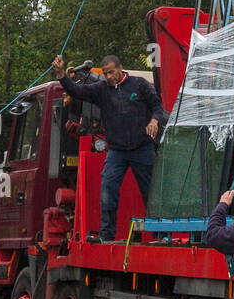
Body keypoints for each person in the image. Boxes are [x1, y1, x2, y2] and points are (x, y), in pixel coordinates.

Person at [51, 53, 165, 240]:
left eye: (112, 72)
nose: (109, 77)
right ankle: (107, 234)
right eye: (105, 74)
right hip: (117, 151)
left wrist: (154, 121)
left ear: (120, 68)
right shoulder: (101, 89)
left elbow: (157, 106)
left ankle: (160, 234)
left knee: (151, 193)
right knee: (108, 189)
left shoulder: (139, 84)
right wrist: (62, 74)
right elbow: (77, 91)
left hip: (142, 147)